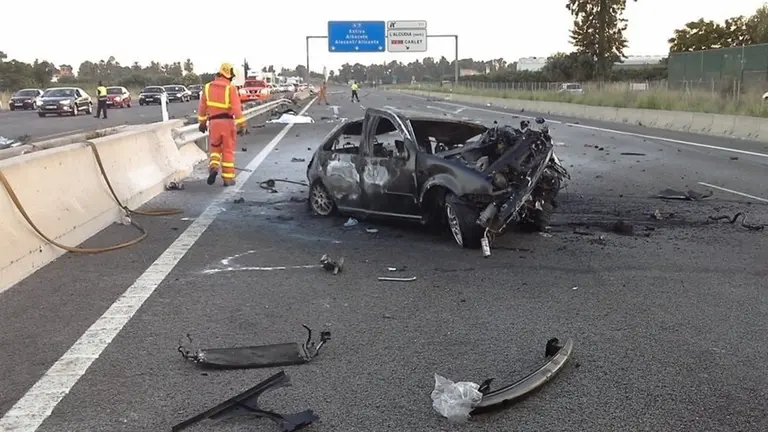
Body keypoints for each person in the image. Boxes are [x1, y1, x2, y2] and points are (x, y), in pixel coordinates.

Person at [197, 63, 246, 187]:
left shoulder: (207, 87)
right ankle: (227, 178)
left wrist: (202, 123)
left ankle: (213, 167)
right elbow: (236, 108)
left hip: (213, 123)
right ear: (230, 75)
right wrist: (242, 124)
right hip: (227, 123)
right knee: (228, 150)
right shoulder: (230, 88)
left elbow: (202, 107)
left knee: (215, 149)